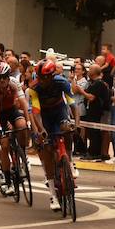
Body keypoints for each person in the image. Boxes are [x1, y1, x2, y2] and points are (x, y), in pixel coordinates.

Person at [28, 58, 76, 211]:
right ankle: (52, 195)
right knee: (47, 152)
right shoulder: (33, 88)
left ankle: (69, 162)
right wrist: (41, 130)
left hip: (59, 110)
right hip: (44, 115)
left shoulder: (62, 82)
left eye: (46, 77)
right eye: (41, 78)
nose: (43, 81)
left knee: (67, 129)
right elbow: (35, 113)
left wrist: (77, 123)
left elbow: (72, 103)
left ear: (52, 75)